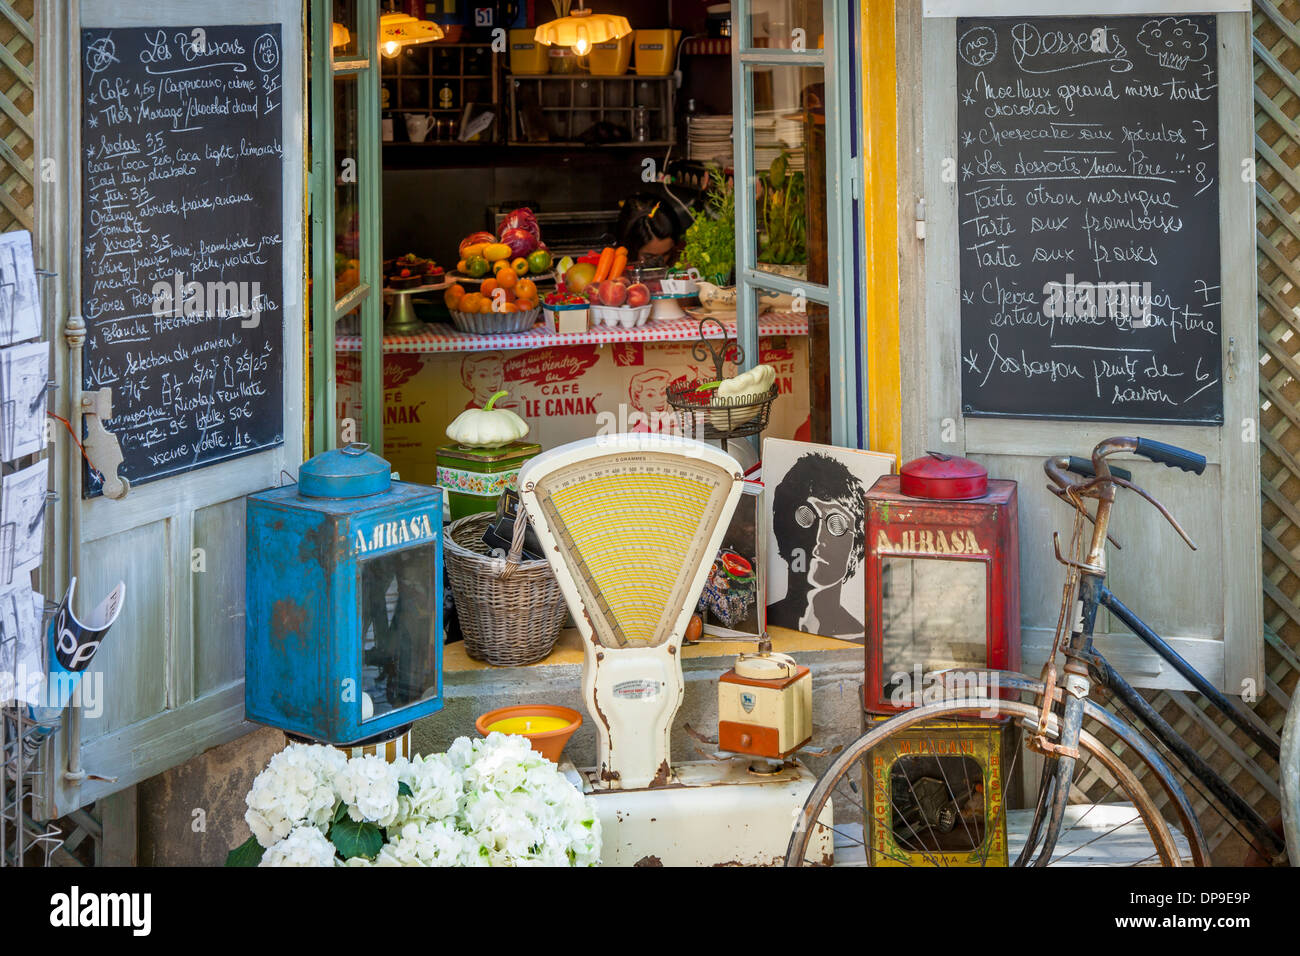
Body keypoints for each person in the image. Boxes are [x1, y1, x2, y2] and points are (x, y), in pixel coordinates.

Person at [614, 192, 683, 267]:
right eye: (649, 257)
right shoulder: (614, 264)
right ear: (630, 248)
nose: (659, 264)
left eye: (666, 254)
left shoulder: (681, 257)